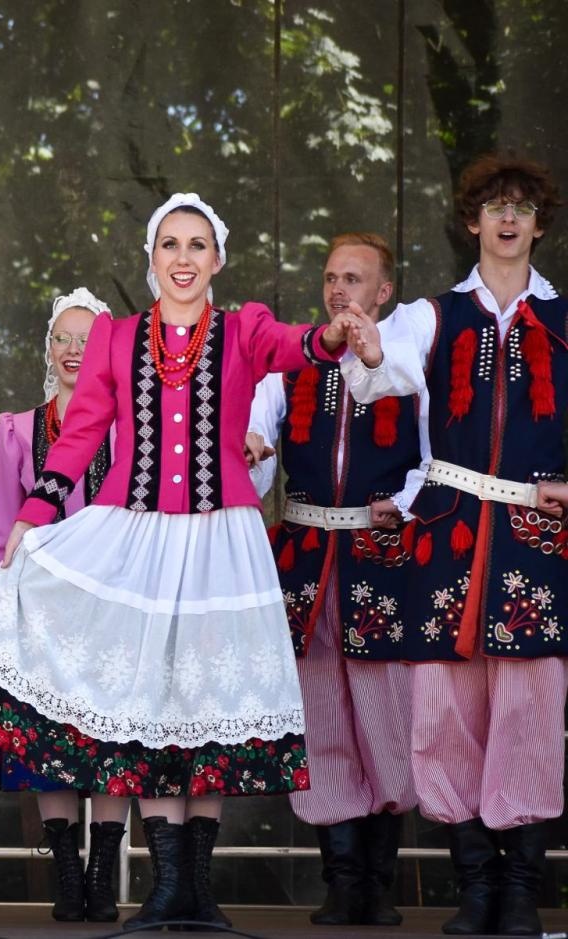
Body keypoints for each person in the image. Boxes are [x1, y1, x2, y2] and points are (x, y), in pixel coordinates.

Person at [0, 193, 380, 931]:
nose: (184, 258)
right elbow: (80, 435)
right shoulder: (117, 337)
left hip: (222, 541)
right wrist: (35, 513)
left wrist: (336, 335)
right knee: (151, 705)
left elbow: (300, 347)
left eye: (197, 245)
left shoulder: (242, 328)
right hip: (139, 539)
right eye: (170, 245)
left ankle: (199, 888)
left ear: (217, 259)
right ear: (151, 259)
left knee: (208, 709)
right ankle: (165, 887)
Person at [340, 154, 568, 938]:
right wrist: (368, 349)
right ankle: (475, 889)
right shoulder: (434, 315)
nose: (509, 218)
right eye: (495, 206)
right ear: (472, 221)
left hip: (536, 539)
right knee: (443, 709)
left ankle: (521, 893)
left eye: (524, 206)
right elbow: (376, 376)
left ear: (540, 223)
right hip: (449, 531)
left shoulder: (565, 321)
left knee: (530, 711)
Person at [246, 232, 421, 927]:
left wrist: (403, 506)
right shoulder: (289, 365)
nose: (339, 289)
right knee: (318, 720)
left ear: (383, 292)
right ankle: (342, 879)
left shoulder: (410, 363)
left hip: (383, 562)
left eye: (354, 278)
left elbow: (436, 458)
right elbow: (257, 442)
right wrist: (254, 448)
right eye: (330, 277)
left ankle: (378, 881)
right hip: (307, 562)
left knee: (390, 717)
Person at [0, 287, 130, 923]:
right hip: (37, 611)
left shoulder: (129, 430)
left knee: (113, 738)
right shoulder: (16, 429)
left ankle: (102, 872)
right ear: (47, 348)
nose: (73, 350)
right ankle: (66, 869)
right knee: (48, 739)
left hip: (114, 607)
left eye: (87, 339)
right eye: (62, 338)